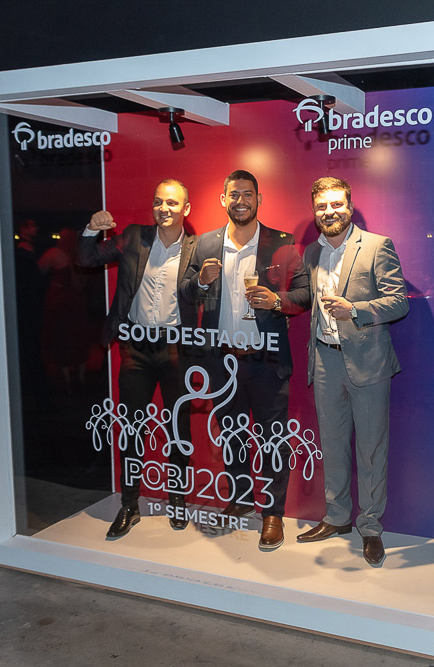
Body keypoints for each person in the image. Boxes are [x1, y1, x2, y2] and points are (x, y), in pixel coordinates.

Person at [179, 169, 306, 551]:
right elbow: (184, 290)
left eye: (247, 194)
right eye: (234, 194)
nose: (241, 201)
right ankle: (241, 498)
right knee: (233, 433)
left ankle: (273, 513)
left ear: (258, 199)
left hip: (266, 360)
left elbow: (304, 293)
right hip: (222, 361)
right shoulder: (205, 243)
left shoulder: (281, 243)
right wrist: (201, 281)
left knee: (272, 439)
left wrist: (277, 301)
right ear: (223, 199)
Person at [294, 176, 408, 566]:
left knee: (372, 449)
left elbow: (399, 301)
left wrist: (355, 310)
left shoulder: (377, 245)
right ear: (315, 211)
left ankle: (370, 527)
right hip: (325, 359)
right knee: (333, 444)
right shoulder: (312, 252)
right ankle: (338, 517)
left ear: (350, 205)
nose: (329, 212)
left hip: (369, 362)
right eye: (322, 206)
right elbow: (307, 300)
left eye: (336, 204)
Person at [78, 179, 199, 539]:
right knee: (132, 428)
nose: (164, 208)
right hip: (135, 347)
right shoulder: (133, 236)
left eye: (172, 203)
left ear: (186, 208)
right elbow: (86, 258)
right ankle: (129, 504)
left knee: (179, 429)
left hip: (177, 348)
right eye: (159, 201)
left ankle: (177, 500)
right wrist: (90, 229)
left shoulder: (199, 247)